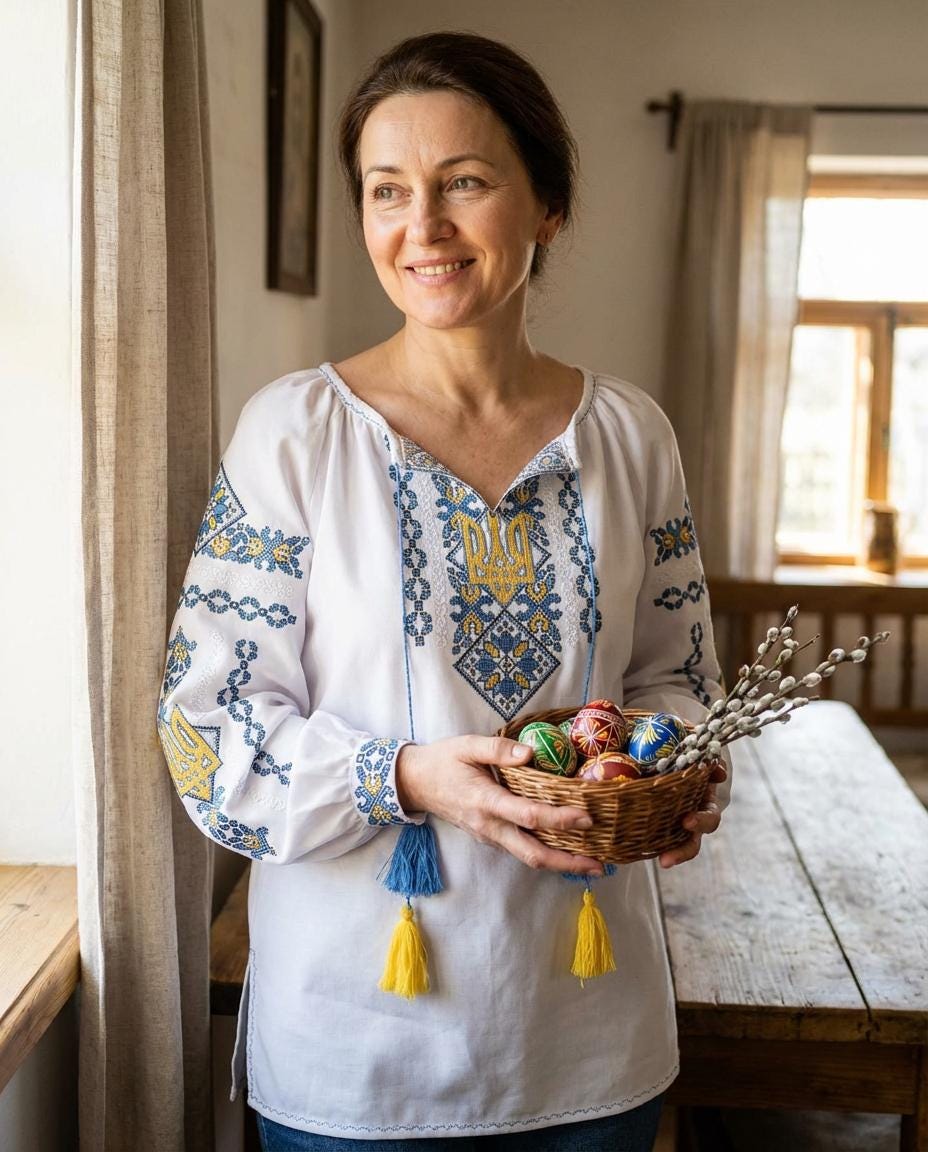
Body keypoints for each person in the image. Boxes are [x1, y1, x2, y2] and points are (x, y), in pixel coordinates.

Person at [157, 29, 729, 1152]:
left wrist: (673, 773)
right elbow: (203, 731)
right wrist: (408, 775)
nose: (421, 226)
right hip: (356, 1048)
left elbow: (680, 674)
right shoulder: (296, 432)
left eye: (464, 182)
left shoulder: (629, 435)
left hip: (588, 1032)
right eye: (386, 190)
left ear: (547, 204)